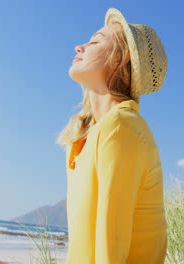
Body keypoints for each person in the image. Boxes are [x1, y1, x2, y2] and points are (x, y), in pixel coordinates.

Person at [56, 7, 169, 264]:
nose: (79, 46)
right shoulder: (87, 135)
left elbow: (110, 246)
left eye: (95, 41)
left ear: (121, 58)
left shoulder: (121, 127)